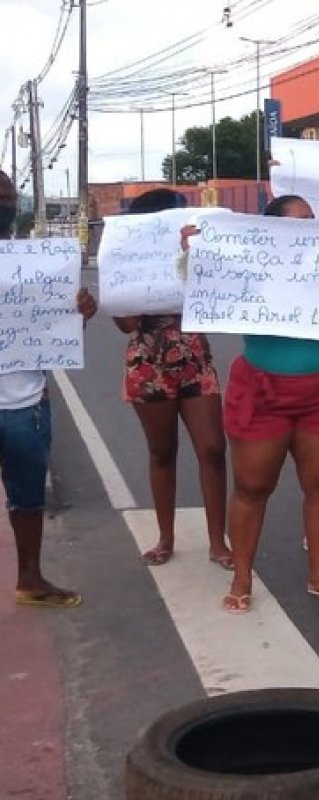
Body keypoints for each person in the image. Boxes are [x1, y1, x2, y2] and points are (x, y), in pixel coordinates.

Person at [185, 195, 319, 614]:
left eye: (313, 218)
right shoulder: (252, 263)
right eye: (298, 221)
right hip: (262, 393)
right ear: (273, 231)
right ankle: (242, 575)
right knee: (252, 487)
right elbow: (207, 288)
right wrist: (198, 255)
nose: (310, 226)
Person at [113, 188, 232, 569]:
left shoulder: (196, 248)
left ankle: (218, 541)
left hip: (194, 353)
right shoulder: (130, 255)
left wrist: (196, 255)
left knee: (212, 449)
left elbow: (219, 296)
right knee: (162, 452)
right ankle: (166, 537)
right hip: (149, 360)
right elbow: (125, 323)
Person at [1, 167, 98, 607]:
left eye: (6, 197)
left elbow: (58, 326)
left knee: (27, 499)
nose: (4, 206)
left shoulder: (37, 265)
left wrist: (80, 309)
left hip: (24, 405)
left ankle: (30, 578)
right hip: (23, 407)